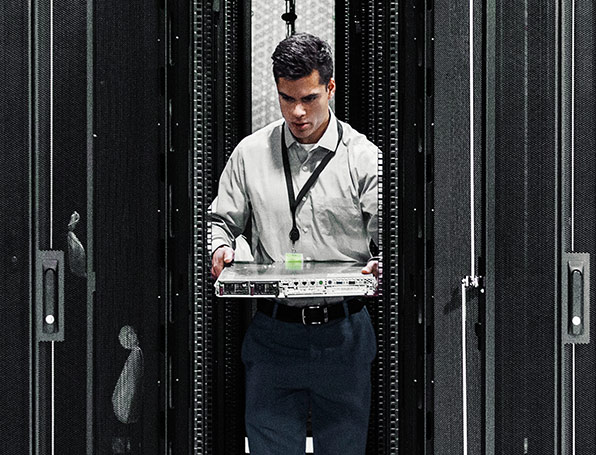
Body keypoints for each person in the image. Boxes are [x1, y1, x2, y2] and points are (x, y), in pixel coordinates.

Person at [210, 33, 379, 455]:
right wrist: (219, 249)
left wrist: (383, 264)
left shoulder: (363, 158)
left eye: (309, 97)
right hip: (273, 334)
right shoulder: (250, 154)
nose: (298, 112)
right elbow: (218, 222)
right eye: (287, 99)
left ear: (331, 88)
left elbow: (390, 241)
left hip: (344, 335)